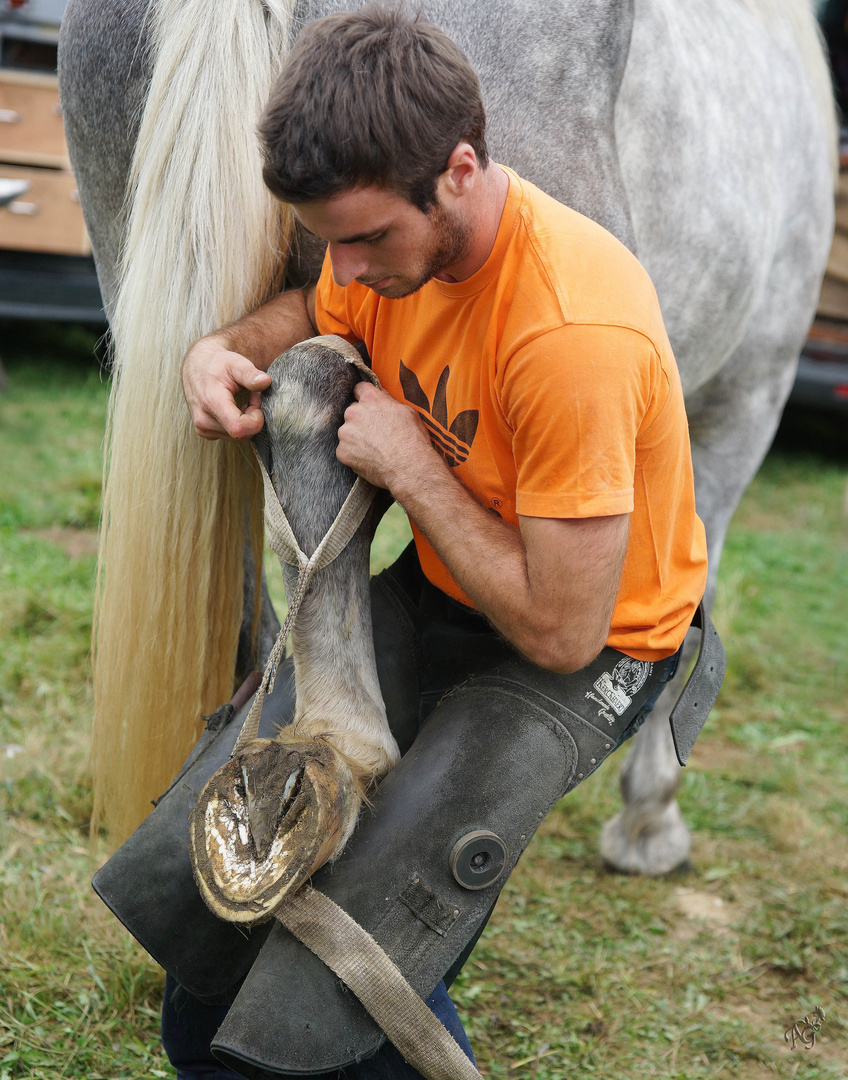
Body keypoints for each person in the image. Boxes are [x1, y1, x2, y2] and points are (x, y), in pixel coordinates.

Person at [175, 4, 709, 1077]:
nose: (352, 269)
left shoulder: (568, 333)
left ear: (458, 170)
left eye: (369, 237)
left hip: (589, 648)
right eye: (333, 240)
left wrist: (412, 466)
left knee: (348, 968)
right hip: (450, 587)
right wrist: (220, 345)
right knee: (202, 916)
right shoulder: (385, 256)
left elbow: (561, 632)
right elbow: (311, 305)